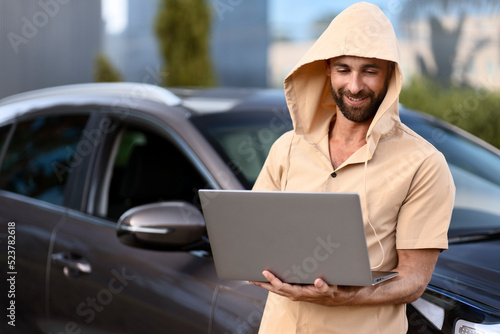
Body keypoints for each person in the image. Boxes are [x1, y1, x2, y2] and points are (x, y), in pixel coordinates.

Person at [249, 2, 455, 333]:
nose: (355, 86)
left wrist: (348, 297)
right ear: (327, 69)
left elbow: (414, 279)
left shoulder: (423, 164)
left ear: (390, 74)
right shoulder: (287, 149)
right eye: (344, 69)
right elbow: (255, 241)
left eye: (370, 71)